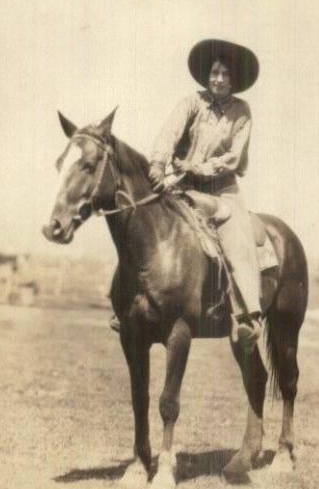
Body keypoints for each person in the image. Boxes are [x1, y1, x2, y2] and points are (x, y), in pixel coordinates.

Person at [110, 38, 262, 349]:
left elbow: (233, 157)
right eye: (215, 72)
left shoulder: (242, 112)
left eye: (226, 75)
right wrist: (158, 162)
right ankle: (121, 303)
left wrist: (197, 167)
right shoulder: (191, 103)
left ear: (235, 80)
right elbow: (169, 133)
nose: (218, 79)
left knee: (236, 239)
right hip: (182, 186)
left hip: (222, 192)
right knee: (143, 225)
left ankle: (249, 315)